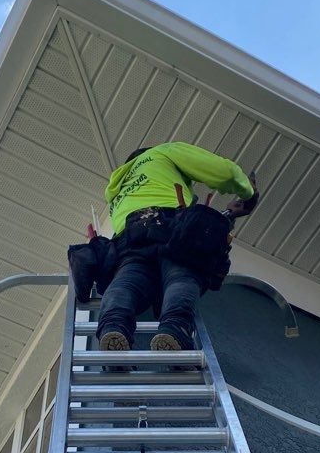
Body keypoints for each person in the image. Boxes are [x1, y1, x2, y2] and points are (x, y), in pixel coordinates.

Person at [97, 141, 258, 353]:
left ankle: (113, 326)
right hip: (168, 223)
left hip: (130, 236)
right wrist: (247, 192)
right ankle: (174, 329)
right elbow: (224, 173)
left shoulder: (116, 190)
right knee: (181, 274)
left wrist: (229, 214)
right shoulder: (162, 152)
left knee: (129, 281)